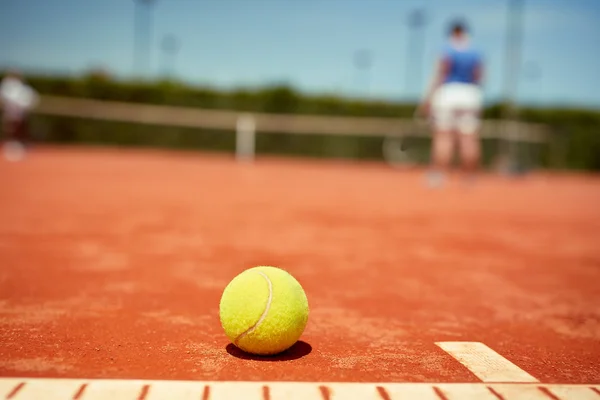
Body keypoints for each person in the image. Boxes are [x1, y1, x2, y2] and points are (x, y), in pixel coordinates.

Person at [417, 19, 484, 187]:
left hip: (447, 94)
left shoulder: (445, 50)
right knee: (468, 138)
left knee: (443, 137)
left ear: (451, 33)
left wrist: (427, 99)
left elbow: (439, 74)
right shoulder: (476, 52)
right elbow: (479, 76)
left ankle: (438, 176)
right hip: (470, 94)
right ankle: (469, 178)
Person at [0, 69, 39, 161]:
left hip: (20, 113)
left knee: (20, 128)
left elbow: (31, 99)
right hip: (11, 112)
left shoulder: (22, 87)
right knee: (12, 128)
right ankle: (13, 145)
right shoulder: (8, 86)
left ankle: (20, 145)